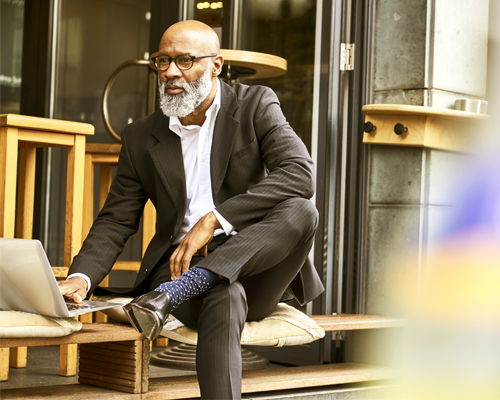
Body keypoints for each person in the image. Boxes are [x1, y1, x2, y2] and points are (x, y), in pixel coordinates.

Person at [58, 20, 324, 399]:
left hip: (256, 264)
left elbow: (299, 173)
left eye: (185, 60)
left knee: (302, 211)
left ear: (215, 65)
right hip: (178, 265)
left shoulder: (255, 104)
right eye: (162, 61)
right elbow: (117, 218)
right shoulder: (140, 136)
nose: (170, 72)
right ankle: (187, 286)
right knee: (224, 293)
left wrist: (214, 219)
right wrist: (80, 278)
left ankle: (180, 290)